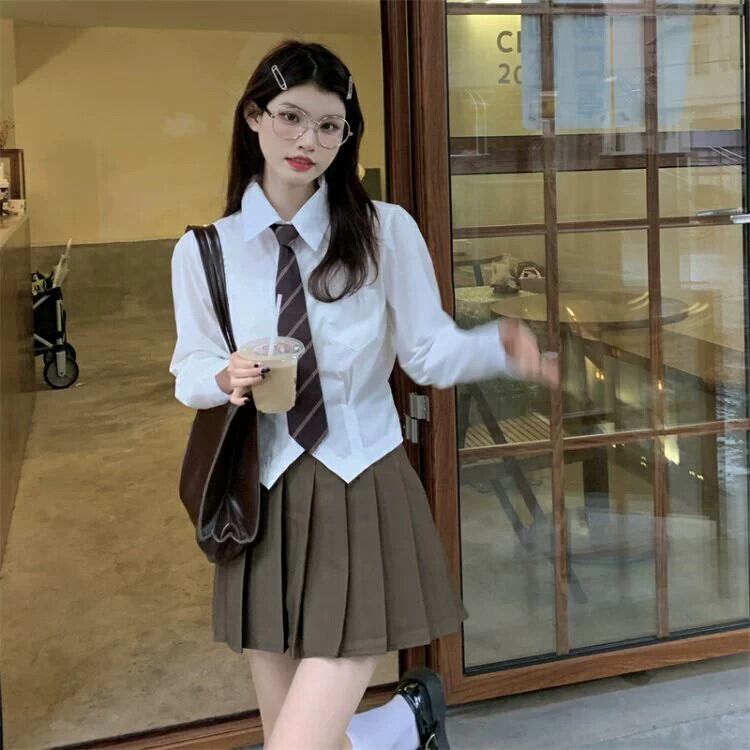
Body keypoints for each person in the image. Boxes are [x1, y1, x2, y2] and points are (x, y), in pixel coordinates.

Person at [169, 39, 558, 750]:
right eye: (290, 117)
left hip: (362, 479)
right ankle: (405, 724)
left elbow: (426, 352)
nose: (307, 142)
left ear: (345, 137)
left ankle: (400, 722)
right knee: (300, 737)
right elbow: (188, 368)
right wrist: (224, 376)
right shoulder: (205, 252)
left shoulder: (384, 231)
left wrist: (495, 346)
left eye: (329, 126)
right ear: (254, 117)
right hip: (262, 495)